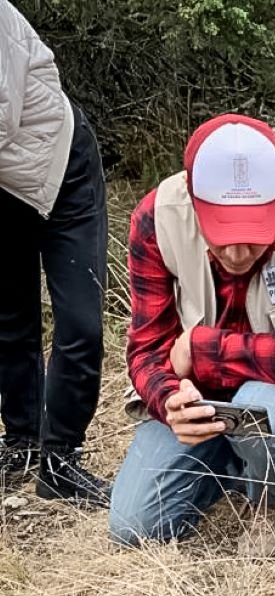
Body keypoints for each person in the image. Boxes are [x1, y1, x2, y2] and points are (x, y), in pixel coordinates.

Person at [109, 113, 275, 553]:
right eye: (221, 232)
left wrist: (201, 348)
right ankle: (237, 455)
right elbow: (147, 349)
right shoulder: (156, 218)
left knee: (262, 409)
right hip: (203, 391)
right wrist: (169, 400)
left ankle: (274, 499)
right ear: (194, 203)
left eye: (253, 232)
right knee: (134, 525)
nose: (236, 252)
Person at [0, 0, 109, 504]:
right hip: (5, 188)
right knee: (10, 320)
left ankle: (61, 460)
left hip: (62, 172)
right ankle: (22, 442)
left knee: (80, 324)